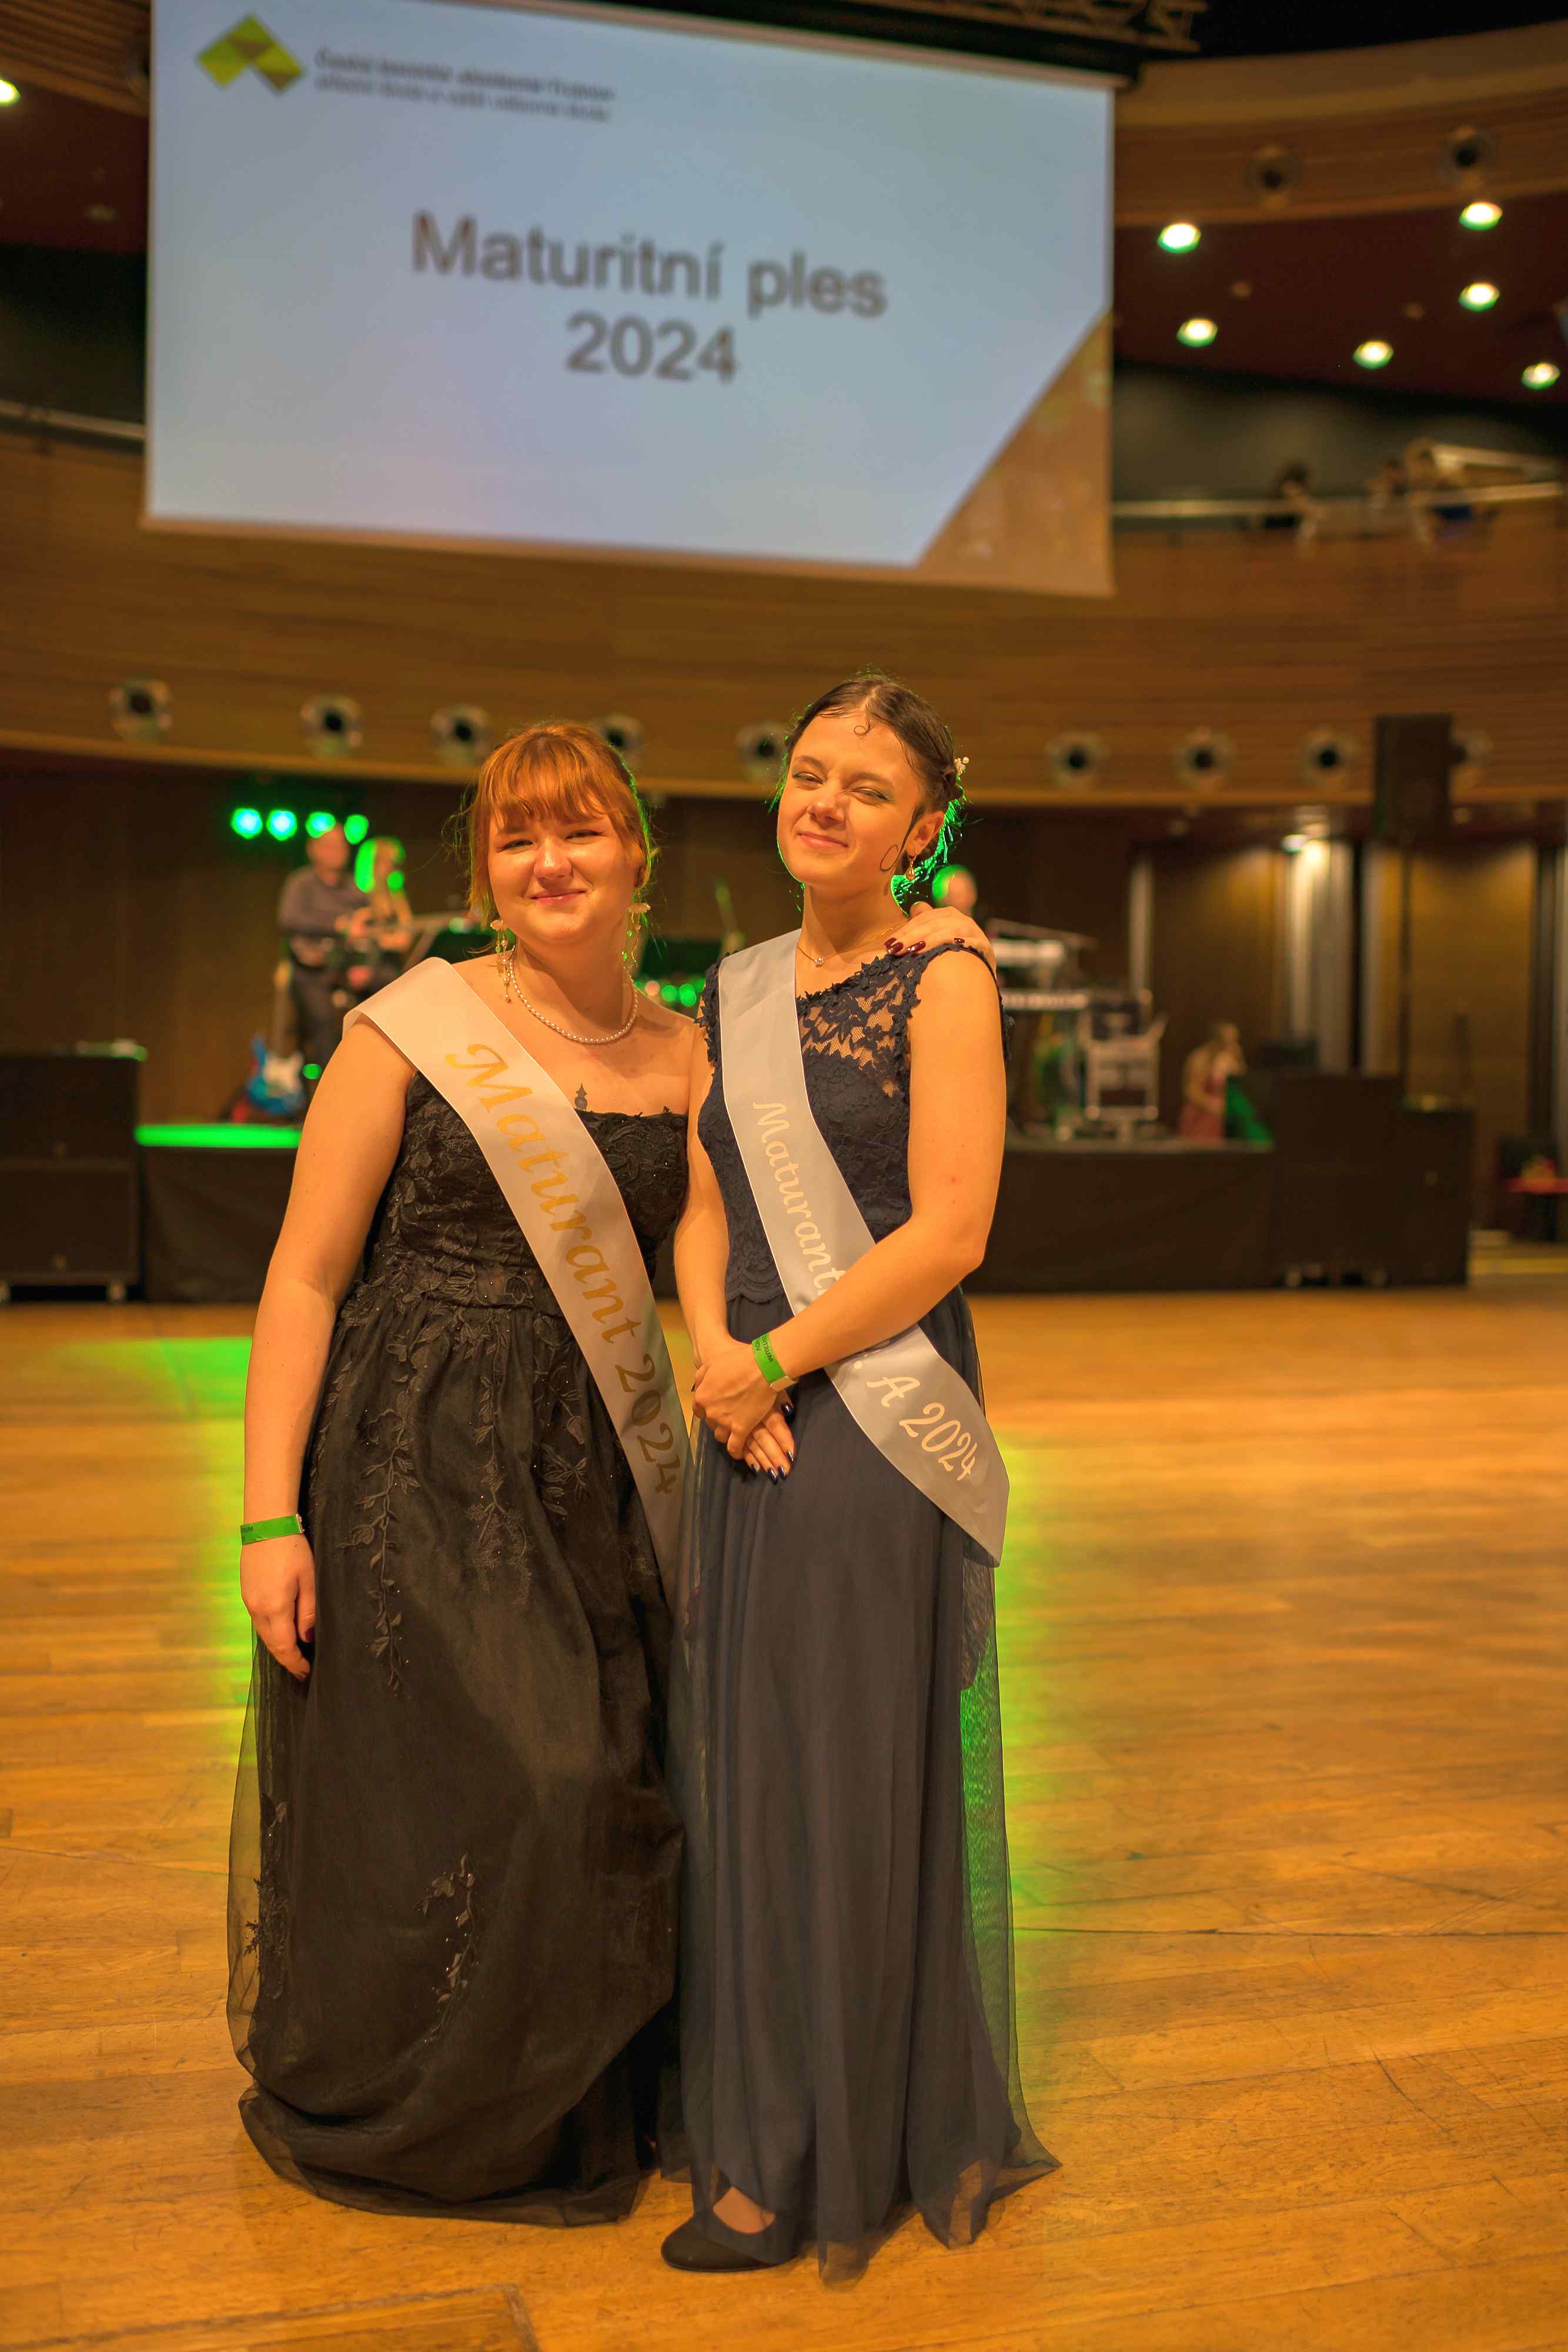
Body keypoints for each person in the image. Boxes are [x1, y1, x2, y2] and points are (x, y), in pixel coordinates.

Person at [229, 723, 695, 2220]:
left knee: (603, 1780)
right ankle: (436, 2098)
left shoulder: (690, 1054)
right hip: (409, 1454)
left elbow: (714, 1279)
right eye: (515, 837)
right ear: (485, 870)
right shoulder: (409, 1027)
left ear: (636, 852)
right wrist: (265, 1514)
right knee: (496, 1784)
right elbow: (304, 1275)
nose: (548, 861)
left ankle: (563, 2097)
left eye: (579, 829)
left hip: (590, 1463)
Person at [662, 672, 1056, 2280]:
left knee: (834, 1772)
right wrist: (715, 1357)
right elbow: (703, 1200)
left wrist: (773, 1358)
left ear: (920, 827)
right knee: (747, 1772)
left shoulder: (942, 977)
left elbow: (951, 1230)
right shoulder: (734, 985)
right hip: (745, 1406)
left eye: (867, 786)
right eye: (809, 771)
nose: (823, 801)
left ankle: (817, 2148)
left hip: (866, 1413)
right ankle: (764, 2110)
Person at [275, 824, 374, 1080]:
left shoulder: (353, 889)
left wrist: (365, 964)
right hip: (310, 973)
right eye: (330, 846)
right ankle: (330, 1085)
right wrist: (337, 926)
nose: (336, 852)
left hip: (345, 969)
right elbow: (289, 919)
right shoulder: (301, 883)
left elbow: (368, 930)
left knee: (384, 994)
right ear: (314, 850)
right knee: (323, 1022)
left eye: (341, 846)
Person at [357, 834, 417, 989]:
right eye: (385, 861)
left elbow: (407, 930)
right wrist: (387, 940)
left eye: (392, 862)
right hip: (369, 969)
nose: (390, 867)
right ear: (373, 863)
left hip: (393, 967)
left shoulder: (396, 895)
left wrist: (396, 940)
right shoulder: (358, 896)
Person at [1179, 1020, 1245, 1141]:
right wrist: (1213, 1105)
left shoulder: (1232, 1058)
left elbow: (1241, 1085)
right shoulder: (1201, 1058)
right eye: (1227, 1042)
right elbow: (1191, 1090)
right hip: (1202, 1116)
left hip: (1223, 1118)